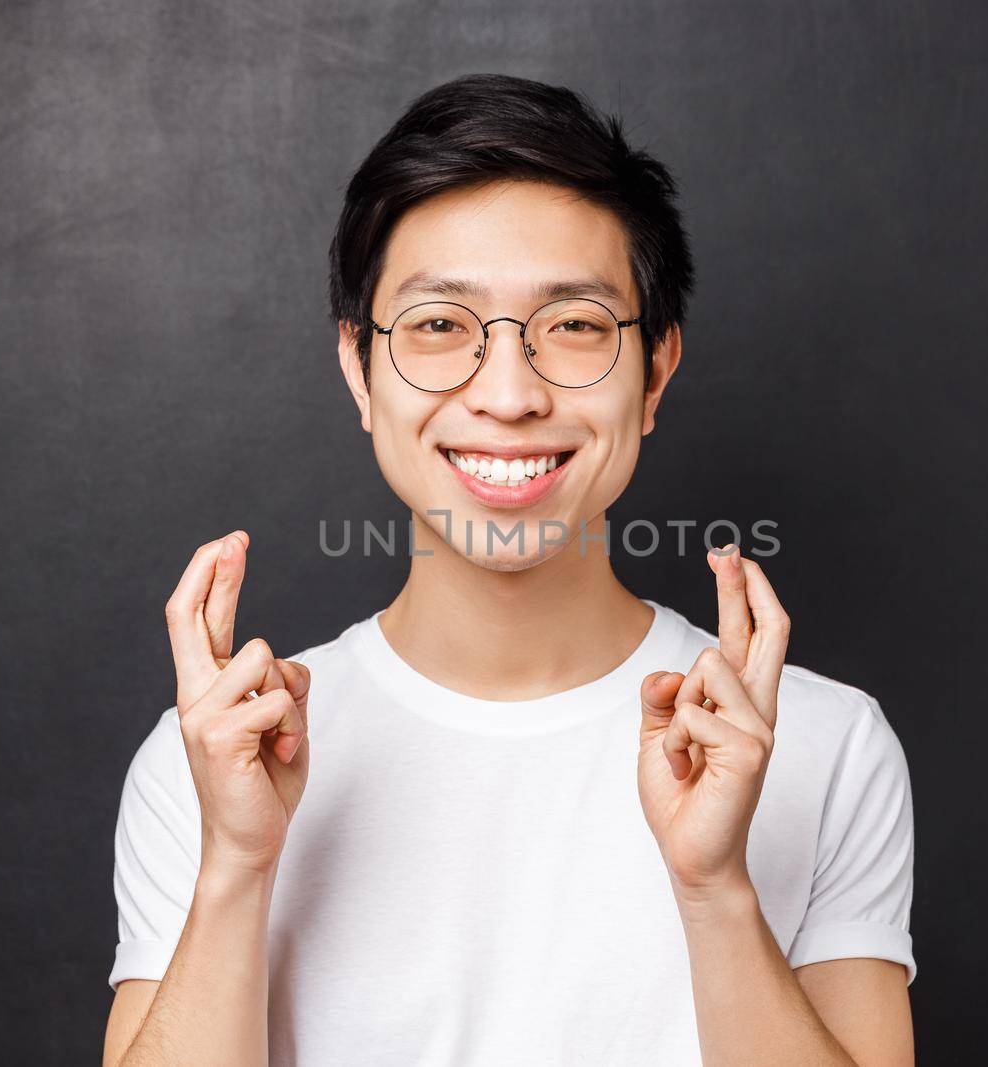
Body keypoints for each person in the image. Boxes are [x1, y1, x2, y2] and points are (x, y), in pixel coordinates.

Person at [101, 73, 916, 1066]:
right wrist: (236, 863)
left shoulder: (821, 744)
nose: (508, 392)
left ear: (655, 370)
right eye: (439, 325)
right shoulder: (213, 763)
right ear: (360, 369)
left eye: (573, 325)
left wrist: (713, 888)